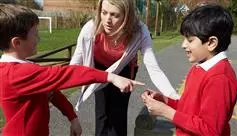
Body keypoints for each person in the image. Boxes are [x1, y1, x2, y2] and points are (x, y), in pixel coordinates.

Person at [0, 4, 144, 136]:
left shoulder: (25, 67)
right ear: (17, 43)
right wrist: (111, 77)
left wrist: (72, 117)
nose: (38, 38)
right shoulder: (14, 74)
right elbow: (65, 74)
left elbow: (52, 93)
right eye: (34, 34)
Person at [70, 0, 180, 135]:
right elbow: (74, 64)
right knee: (102, 112)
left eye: (115, 15)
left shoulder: (140, 32)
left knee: (118, 112)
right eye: (104, 13)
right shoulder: (90, 28)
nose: (107, 20)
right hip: (100, 69)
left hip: (124, 69)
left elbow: (154, 69)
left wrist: (175, 98)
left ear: (127, 16)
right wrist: (55, 88)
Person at [141, 4, 237, 136]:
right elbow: (189, 109)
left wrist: (166, 111)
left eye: (190, 40)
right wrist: (165, 101)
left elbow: (210, 130)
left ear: (211, 43)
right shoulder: (200, 68)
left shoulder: (219, 78)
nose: (183, 45)